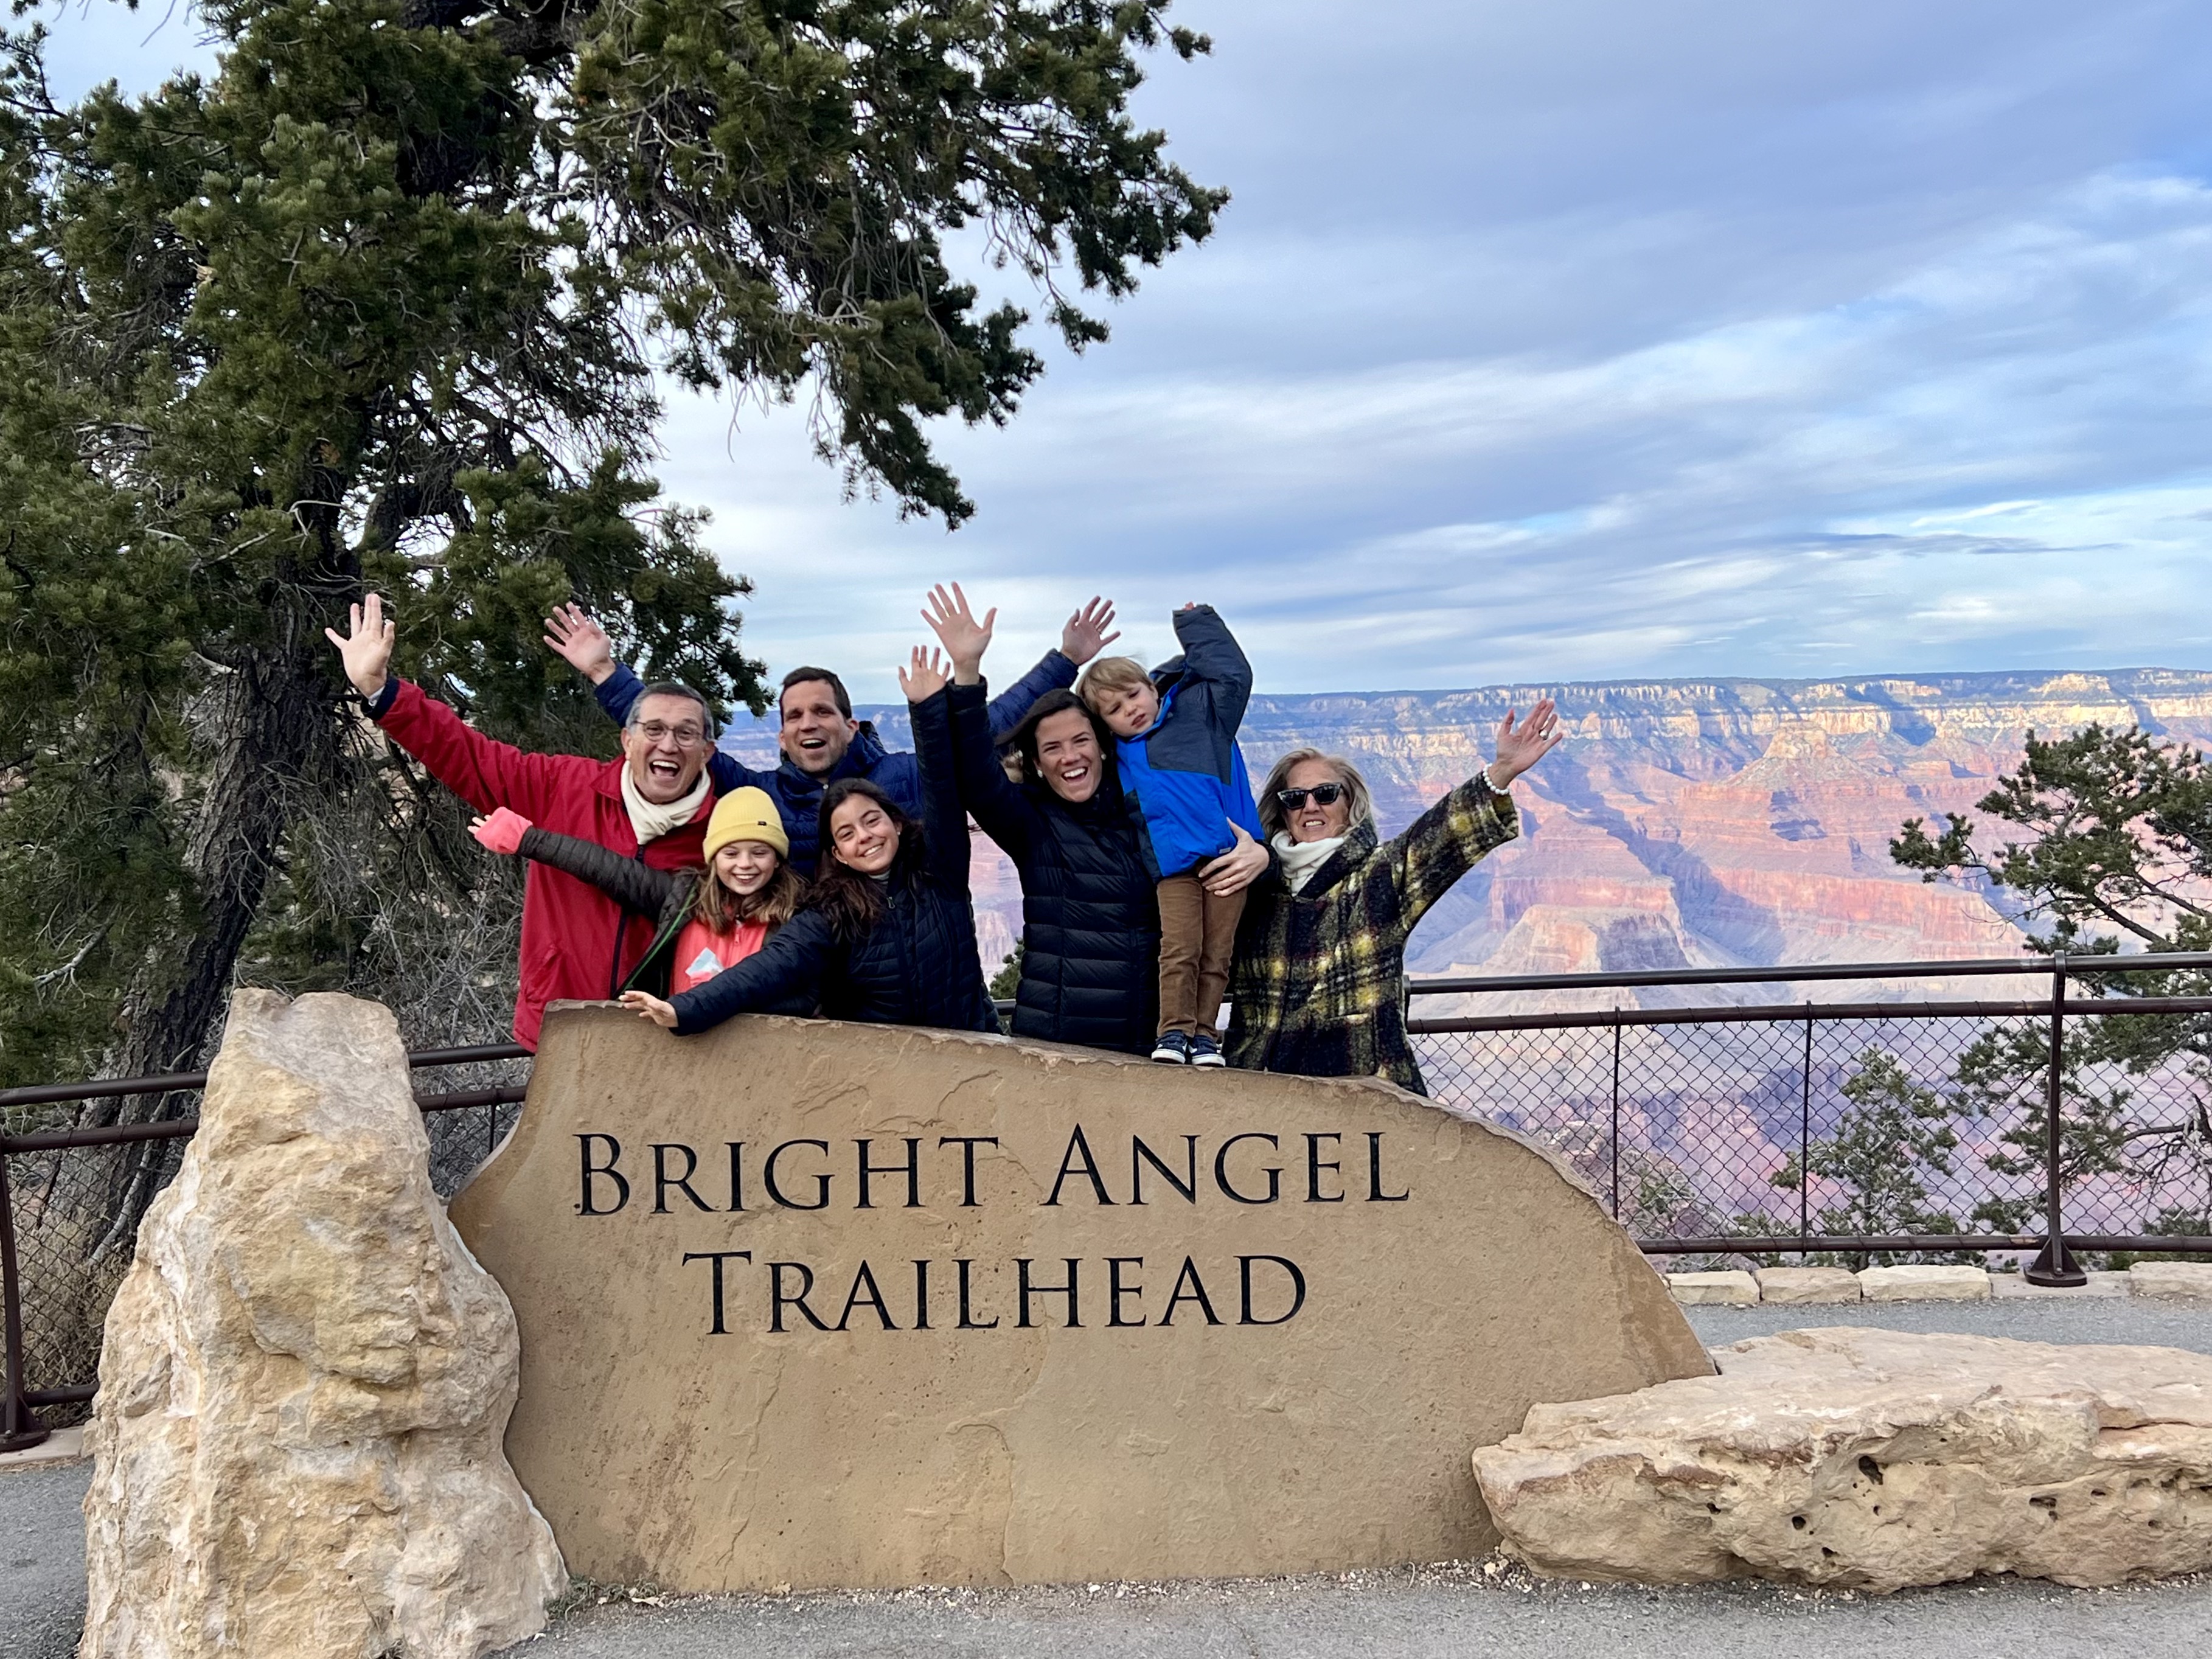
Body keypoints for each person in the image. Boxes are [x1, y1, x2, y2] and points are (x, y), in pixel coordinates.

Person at [324, 594, 722, 1049]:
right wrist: (382, 690)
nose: (668, 744)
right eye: (653, 729)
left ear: (707, 752)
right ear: (628, 740)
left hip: (663, 1041)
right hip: (559, 1023)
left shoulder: (724, 833)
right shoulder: (565, 786)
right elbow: (467, 755)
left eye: (685, 733)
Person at [924, 585, 1270, 1056]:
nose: (1070, 757)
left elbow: (1227, 887)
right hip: (1055, 1048)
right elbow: (972, 767)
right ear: (1038, 763)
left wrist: (1260, 853)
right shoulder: (1029, 821)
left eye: (1080, 740)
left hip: (1152, 1050)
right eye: (1052, 748)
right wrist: (968, 673)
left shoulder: (1150, 812)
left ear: (1104, 742)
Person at [541, 597, 1124, 874]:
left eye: (822, 711)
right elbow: (677, 738)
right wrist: (603, 673)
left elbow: (981, 732)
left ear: (850, 724)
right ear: (781, 735)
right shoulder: (762, 794)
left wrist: (1065, 660)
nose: (808, 724)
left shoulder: (897, 778)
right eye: (794, 716)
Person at [619, 650, 999, 1038]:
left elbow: (940, 779)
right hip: (885, 1070)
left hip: (972, 1052)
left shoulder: (941, 872)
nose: (865, 836)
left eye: (872, 821)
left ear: (897, 823)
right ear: (837, 853)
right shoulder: (832, 912)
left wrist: (928, 708)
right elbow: (773, 965)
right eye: (847, 834)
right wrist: (683, 1008)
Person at [1225, 704, 1563, 1093]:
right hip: (1263, 1090)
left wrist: (1501, 771)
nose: (1311, 806)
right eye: (1295, 797)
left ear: (1350, 803)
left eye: (1325, 793)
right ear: (1281, 811)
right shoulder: (1258, 887)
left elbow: (1439, 837)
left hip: (1363, 1090)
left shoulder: (1377, 877)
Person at [1077, 605, 1264, 1067]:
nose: (1131, 710)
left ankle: (1204, 1035)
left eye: (1135, 694)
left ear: (1152, 687)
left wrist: (1195, 622)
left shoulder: (1201, 716)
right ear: (1106, 724)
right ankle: (1174, 1032)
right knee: (1180, 948)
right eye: (1116, 709)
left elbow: (1233, 674)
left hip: (1228, 860)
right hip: (1174, 869)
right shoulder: (1118, 753)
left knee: (1217, 953)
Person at [465, 785, 810, 1010]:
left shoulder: (798, 918)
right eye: (731, 853)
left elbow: (807, 995)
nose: (745, 865)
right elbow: (606, 868)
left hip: (761, 1057)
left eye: (760, 852)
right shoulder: (684, 899)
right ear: (713, 858)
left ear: (778, 859)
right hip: (681, 1050)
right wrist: (528, 840)